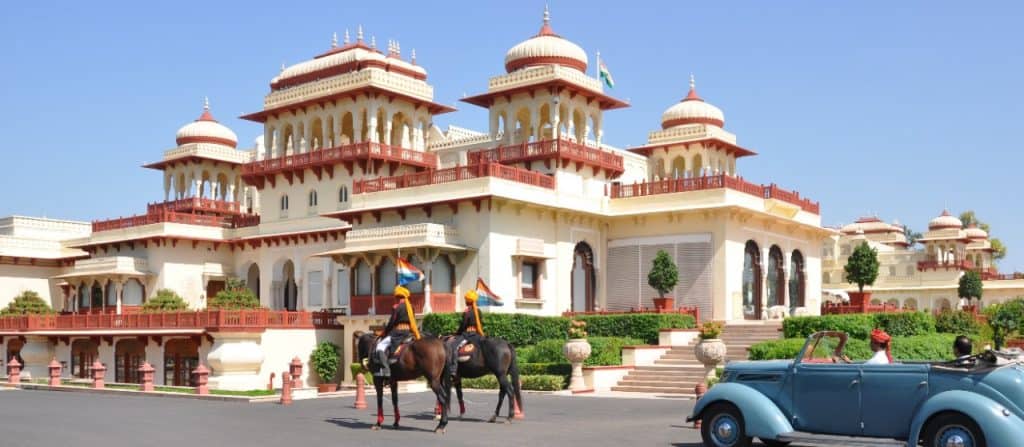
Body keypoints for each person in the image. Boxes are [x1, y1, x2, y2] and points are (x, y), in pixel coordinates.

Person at [374, 285, 419, 377]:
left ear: (397, 297)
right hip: (408, 332)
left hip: (398, 332)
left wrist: (385, 332)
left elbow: (392, 322)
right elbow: (413, 321)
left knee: (380, 346)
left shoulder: (397, 307)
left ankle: (386, 370)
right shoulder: (411, 307)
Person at [449, 290, 485, 375]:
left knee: (453, 347)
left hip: (467, 335)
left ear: (468, 301)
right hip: (477, 334)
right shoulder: (478, 311)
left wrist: (456, 334)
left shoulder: (467, 312)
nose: (465, 301)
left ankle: (453, 369)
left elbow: (463, 325)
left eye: (465, 300)